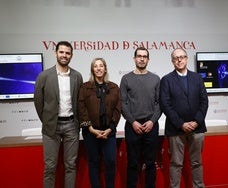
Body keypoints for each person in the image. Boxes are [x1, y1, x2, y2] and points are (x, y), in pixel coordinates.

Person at [34, 41, 83, 188]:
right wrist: (47, 120)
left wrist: (78, 123)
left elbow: (80, 102)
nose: (64, 55)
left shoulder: (77, 76)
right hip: (51, 127)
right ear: (55, 53)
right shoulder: (44, 76)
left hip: (71, 126)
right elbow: (38, 101)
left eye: (67, 53)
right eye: (61, 52)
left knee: (71, 166)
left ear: (71, 56)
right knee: (50, 167)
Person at [159, 48, 209, 188]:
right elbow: (165, 104)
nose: (179, 60)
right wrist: (181, 124)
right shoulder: (166, 80)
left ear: (186, 59)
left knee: (196, 163)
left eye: (182, 57)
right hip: (176, 129)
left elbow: (204, 101)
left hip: (197, 128)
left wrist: (196, 121)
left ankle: (198, 186)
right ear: (172, 61)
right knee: (176, 163)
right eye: (176, 58)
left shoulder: (197, 78)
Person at [120, 47, 162, 188]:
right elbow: (123, 104)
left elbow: (159, 104)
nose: (142, 59)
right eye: (139, 56)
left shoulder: (155, 79)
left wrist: (152, 121)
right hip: (133, 127)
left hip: (151, 126)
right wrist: (133, 122)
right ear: (134, 58)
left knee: (150, 163)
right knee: (132, 163)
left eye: (145, 56)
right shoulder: (126, 79)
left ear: (148, 59)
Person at [78, 58, 121, 188]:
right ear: (92, 70)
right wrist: (90, 128)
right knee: (94, 162)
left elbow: (118, 109)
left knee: (110, 162)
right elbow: (81, 108)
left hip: (109, 132)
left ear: (105, 68)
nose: (98, 68)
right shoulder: (85, 87)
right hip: (91, 132)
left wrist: (110, 128)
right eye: (95, 66)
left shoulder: (114, 87)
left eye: (101, 66)